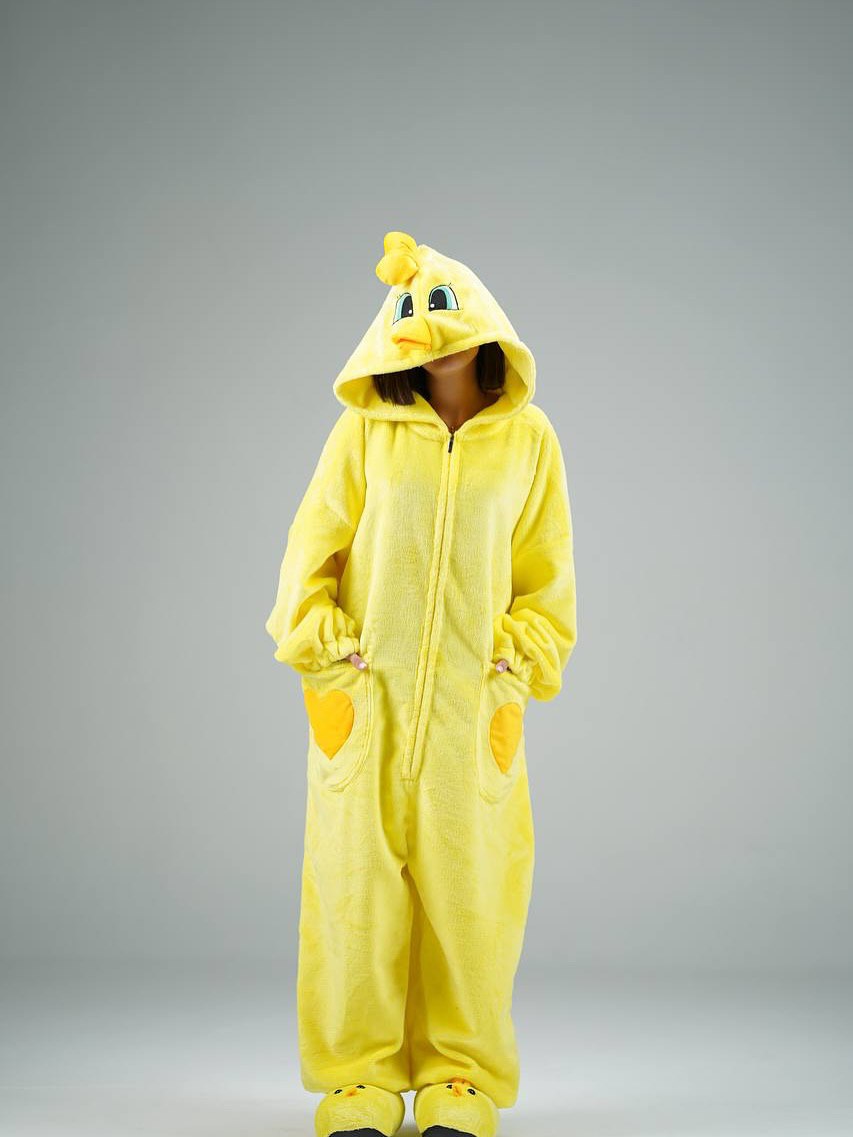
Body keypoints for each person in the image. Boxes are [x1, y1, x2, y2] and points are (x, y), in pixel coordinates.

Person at [265, 230, 578, 1137]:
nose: (427, 331)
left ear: (484, 327)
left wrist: (517, 655)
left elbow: (547, 575)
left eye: (441, 311)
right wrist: (324, 647)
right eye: (410, 314)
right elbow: (310, 550)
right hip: (366, 708)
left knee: (473, 896)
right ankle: (356, 1077)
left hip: (471, 715)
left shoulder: (528, 439)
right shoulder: (363, 430)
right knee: (353, 893)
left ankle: (459, 1076)